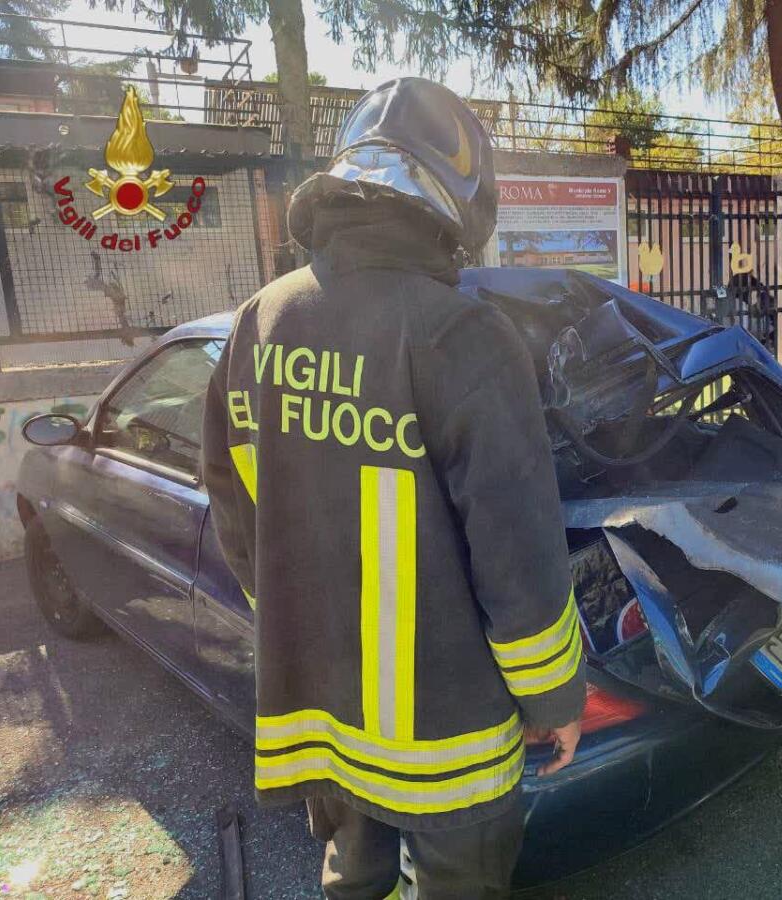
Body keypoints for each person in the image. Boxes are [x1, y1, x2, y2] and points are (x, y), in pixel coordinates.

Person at [201, 78, 585, 898]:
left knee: (353, 887)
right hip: (447, 734)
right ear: (459, 204)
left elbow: (235, 508)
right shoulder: (466, 335)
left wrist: (292, 620)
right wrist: (555, 695)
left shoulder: (258, 323)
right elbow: (517, 553)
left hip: (326, 720)